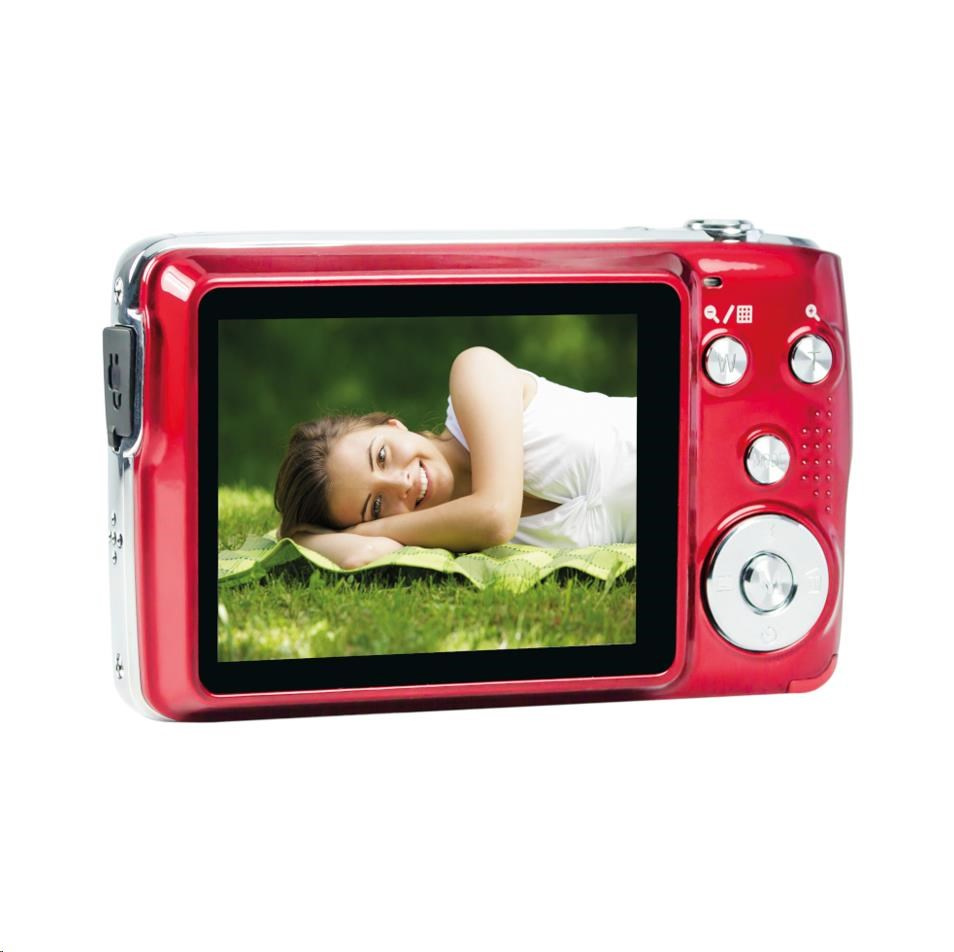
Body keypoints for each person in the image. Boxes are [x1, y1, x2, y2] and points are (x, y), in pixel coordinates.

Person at [273, 346, 636, 569]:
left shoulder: (474, 373)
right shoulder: (452, 536)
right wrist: (305, 539)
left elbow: (495, 515)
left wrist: (369, 525)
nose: (401, 483)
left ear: (393, 425)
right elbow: (362, 555)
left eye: (382, 456)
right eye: (377, 505)